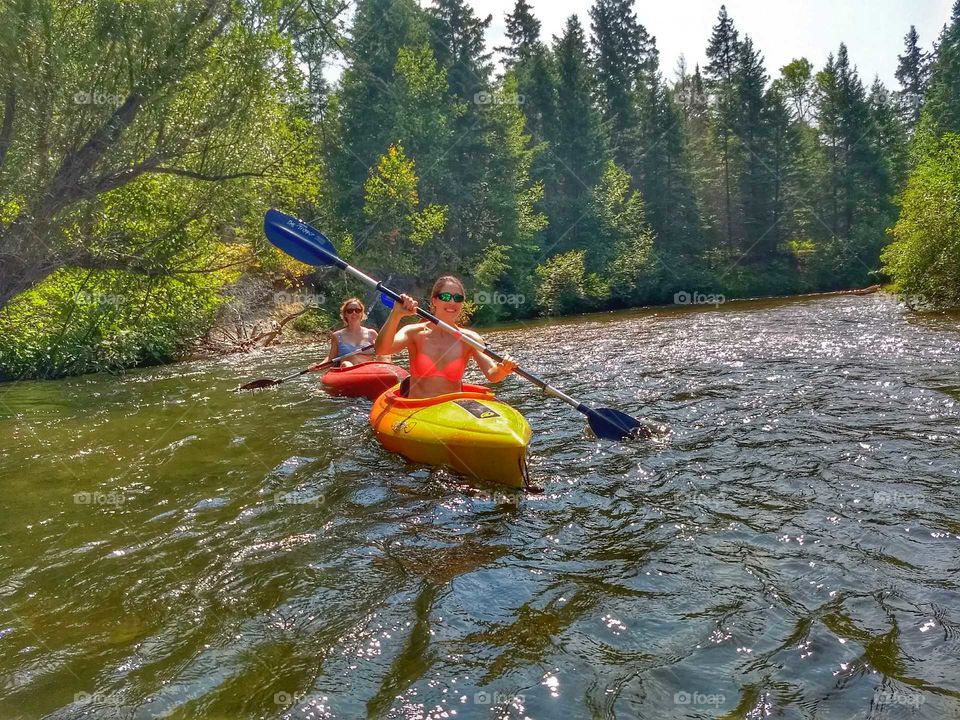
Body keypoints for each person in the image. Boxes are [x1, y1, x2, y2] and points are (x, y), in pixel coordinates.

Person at [374, 276, 517, 398]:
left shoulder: (469, 338)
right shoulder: (413, 332)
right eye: (446, 297)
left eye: (458, 298)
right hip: (418, 410)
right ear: (434, 300)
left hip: (451, 410)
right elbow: (381, 350)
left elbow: (492, 374)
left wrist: (503, 370)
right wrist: (396, 315)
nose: (452, 302)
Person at [311, 297, 379, 370]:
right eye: (350, 311)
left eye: (357, 310)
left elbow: (383, 354)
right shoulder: (337, 336)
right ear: (345, 314)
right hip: (347, 370)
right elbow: (331, 359)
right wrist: (318, 366)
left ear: (362, 313)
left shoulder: (372, 334)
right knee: (346, 364)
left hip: (369, 371)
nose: (354, 313)